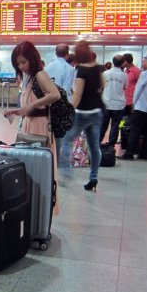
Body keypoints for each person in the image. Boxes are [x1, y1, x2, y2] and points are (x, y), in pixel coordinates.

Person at [61, 41, 104, 192]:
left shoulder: (81, 71)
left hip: (82, 114)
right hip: (96, 112)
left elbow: (77, 95)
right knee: (94, 147)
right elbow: (101, 87)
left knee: (66, 142)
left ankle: (66, 172)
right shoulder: (99, 69)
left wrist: (69, 109)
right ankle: (93, 177)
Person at [4, 41, 60, 145]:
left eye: (23, 62)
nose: (21, 67)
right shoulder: (29, 78)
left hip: (38, 126)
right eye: (18, 64)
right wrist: (15, 111)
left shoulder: (40, 75)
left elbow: (55, 94)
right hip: (28, 124)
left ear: (32, 59)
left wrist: (33, 104)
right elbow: (28, 109)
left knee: (37, 158)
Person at [120, 54, 147, 161]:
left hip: (141, 106)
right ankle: (144, 153)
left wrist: (133, 103)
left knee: (135, 130)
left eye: (144, 61)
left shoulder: (145, 74)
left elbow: (138, 89)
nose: (142, 63)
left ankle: (129, 153)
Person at [100, 55, 128, 147]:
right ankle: (111, 146)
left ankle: (97, 144)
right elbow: (125, 87)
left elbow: (101, 86)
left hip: (106, 103)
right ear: (122, 63)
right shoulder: (124, 75)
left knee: (103, 125)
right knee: (116, 126)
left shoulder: (105, 73)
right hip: (119, 104)